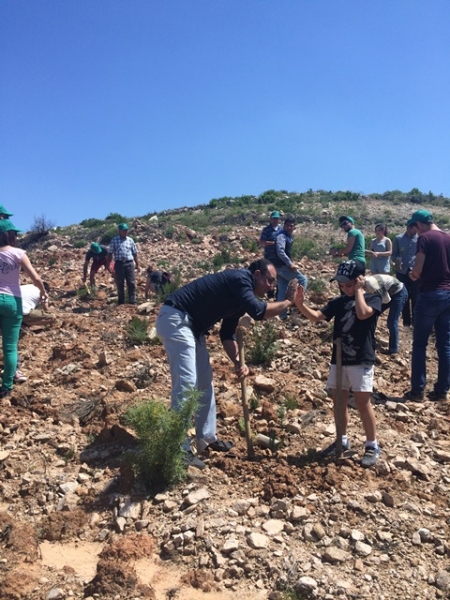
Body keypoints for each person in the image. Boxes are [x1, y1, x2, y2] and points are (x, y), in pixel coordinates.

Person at [156, 258, 298, 468]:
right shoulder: (241, 279)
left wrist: (238, 362)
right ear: (257, 274)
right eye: (269, 280)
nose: (271, 286)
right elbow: (258, 311)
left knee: (204, 383)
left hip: (193, 329)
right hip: (177, 319)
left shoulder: (240, 298)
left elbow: (227, 333)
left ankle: (206, 438)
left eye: (274, 283)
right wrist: (287, 302)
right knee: (186, 384)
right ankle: (178, 447)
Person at [295, 260, 382, 468]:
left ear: (360, 280)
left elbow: (362, 314)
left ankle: (372, 444)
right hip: (339, 358)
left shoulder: (374, 298)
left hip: (361, 358)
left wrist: (360, 291)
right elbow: (317, 317)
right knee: (339, 399)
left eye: (348, 284)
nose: (344, 288)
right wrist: (300, 304)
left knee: (362, 402)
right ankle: (341, 440)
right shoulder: (339, 302)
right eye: (341, 285)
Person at [404, 210, 450, 402]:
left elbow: (418, 269)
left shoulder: (425, 238)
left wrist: (412, 275)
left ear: (419, 225)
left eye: (415, 228)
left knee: (420, 344)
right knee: (445, 344)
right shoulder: (448, 237)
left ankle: (417, 391)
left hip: (429, 294)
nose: (415, 232)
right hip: (448, 294)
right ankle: (442, 391)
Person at [0, 219, 48, 398]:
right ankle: (6, 387)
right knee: (10, 347)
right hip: (13, 301)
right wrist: (43, 292)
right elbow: (35, 278)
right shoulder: (19, 253)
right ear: (10, 235)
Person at [13, 283, 55, 383]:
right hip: (23, 313)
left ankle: (22, 324)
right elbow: (46, 309)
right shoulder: (43, 291)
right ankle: (14, 372)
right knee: (52, 318)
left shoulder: (25, 287)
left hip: (7, 310)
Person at [272, 215, 308, 319]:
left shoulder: (287, 236)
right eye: (287, 226)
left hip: (278, 267)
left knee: (282, 289)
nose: (289, 227)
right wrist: (290, 263)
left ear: (294, 227)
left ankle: (281, 315)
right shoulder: (282, 236)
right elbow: (280, 251)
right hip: (282, 267)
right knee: (303, 280)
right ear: (284, 226)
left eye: (291, 226)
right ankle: (296, 304)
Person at [363, 274, 408, 355]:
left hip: (399, 293)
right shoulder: (363, 286)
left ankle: (393, 349)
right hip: (388, 292)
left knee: (392, 322)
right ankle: (369, 340)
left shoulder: (370, 285)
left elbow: (386, 300)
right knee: (372, 315)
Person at [391, 224, 419, 327]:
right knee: (404, 296)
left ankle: (416, 321)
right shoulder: (398, 239)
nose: (416, 231)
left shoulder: (419, 239)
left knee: (416, 296)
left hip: (415, 271)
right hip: (402, 271)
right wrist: (396, 262)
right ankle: (406, 321)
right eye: (414, 229)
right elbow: (393, 255)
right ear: (408, 228)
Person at [107, 223, 139, 305]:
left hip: (129, 263)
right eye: (124, 230)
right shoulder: (114, 240)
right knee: (120, 282)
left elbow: (135, 253)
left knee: (131, 282)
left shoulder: (130, 240)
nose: (126, 232)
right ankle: (121, 302)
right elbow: (110, 253)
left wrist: (137, 264)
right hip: (119, 264)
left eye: (126, 230)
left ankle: (132, 301)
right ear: (119, 231)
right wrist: (108, 265)